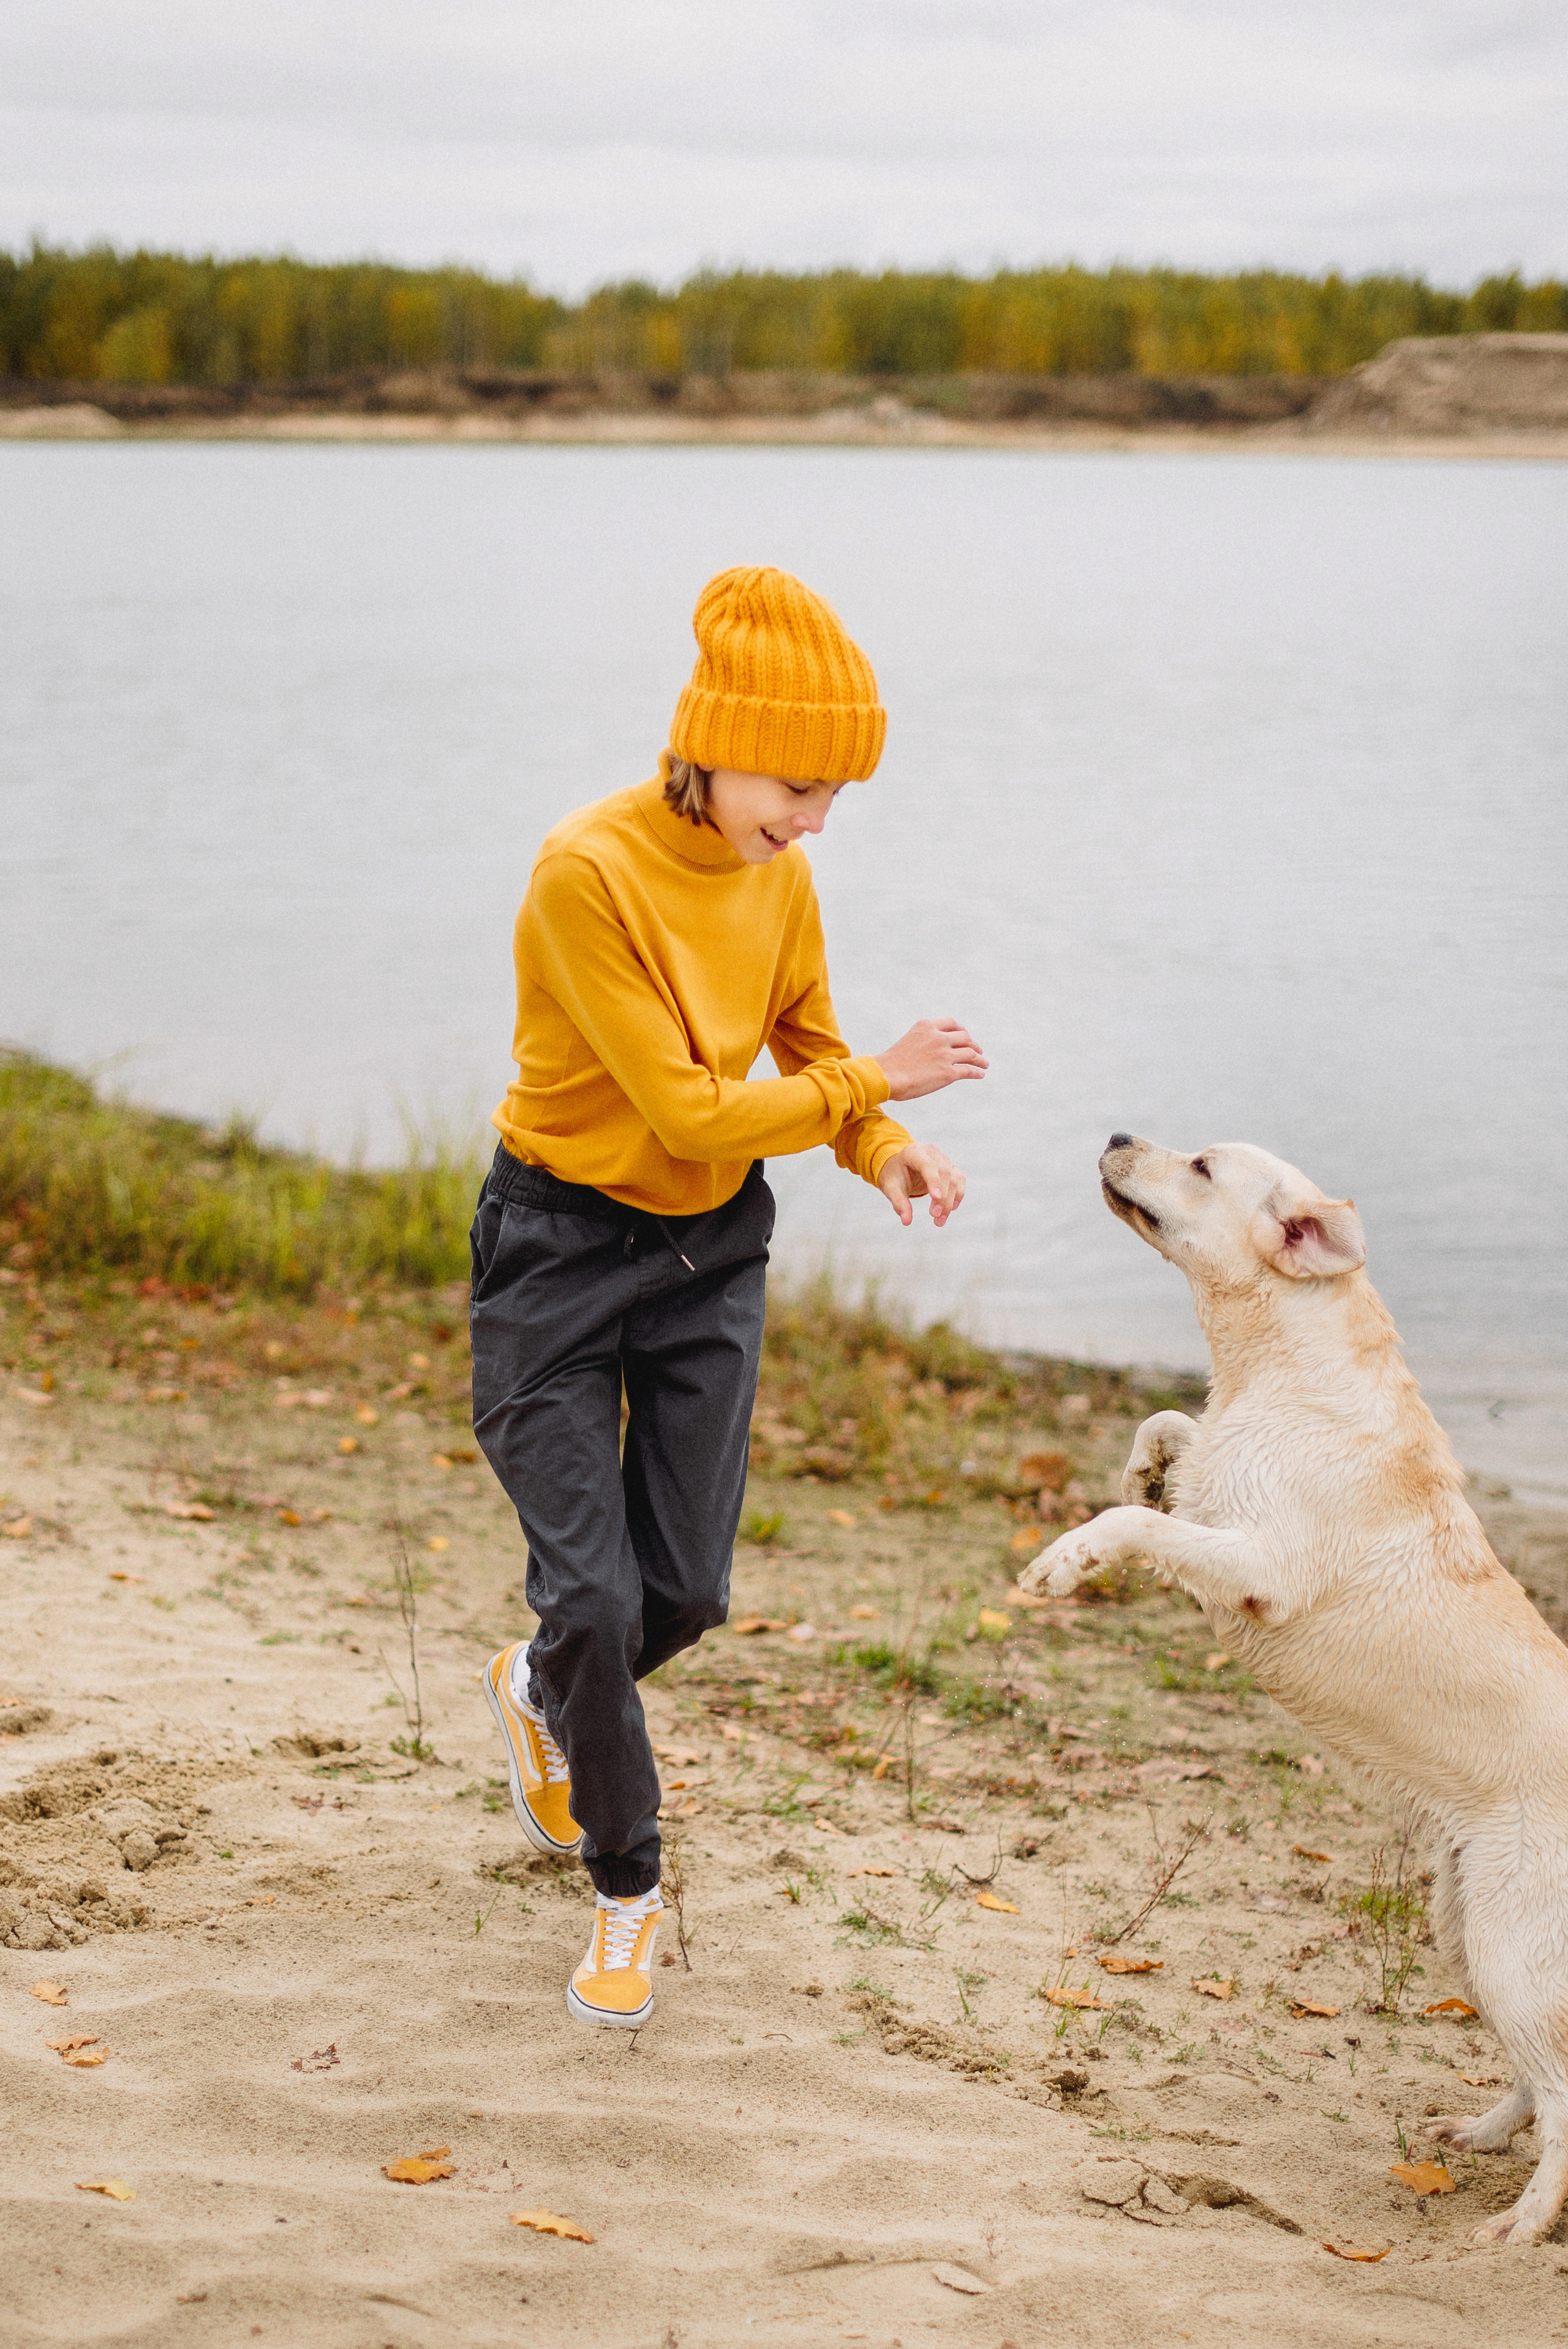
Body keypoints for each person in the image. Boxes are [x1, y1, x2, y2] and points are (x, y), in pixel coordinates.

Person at [470, 565, 986, 2026]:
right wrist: (874, 1076)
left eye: (833, 797)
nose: (814, 821)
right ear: (713, 740)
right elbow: (695, 1109)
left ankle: (542, 1684)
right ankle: (626, 1896)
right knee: (593, 1586)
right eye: (798, 785)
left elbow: (806, 1057)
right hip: (557, 1256)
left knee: (678, 1593)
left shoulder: (780, 877)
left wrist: (883, 1143)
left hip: (704, 1265)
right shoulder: (587, 873)